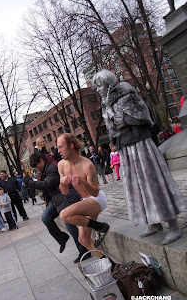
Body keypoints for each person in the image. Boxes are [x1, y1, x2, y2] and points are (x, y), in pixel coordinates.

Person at [92, 69, 187, 245]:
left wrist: (126, 118)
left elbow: (143, 114)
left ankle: (173, 225)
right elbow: (111, 126)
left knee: (153, 183)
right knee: (137, 186)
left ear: (108, 83)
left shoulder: (124, 91)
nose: (97, 90)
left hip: (140, 145)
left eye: (99, 85)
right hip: (125, 147)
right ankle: (154, 222)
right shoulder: (105, 102)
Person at [24, 152, 91, 263]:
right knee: (45, 218)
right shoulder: (44, 169)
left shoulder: (53, 167)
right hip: (56, 199)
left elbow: (47, 185)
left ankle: (84, 250)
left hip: (66, 198)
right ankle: (62, 238)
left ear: (41, 160)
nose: (37, 169)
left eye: (37, 166)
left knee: (70, 226)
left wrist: (31, 183)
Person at [57, 133, 110, 258]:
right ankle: (112, 266)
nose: (58, 151)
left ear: (71, 145)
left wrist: (83, 182)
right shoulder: (61, 165)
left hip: (97, 200)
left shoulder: (87, 165)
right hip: (86, 200)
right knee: (83, 240)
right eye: (57, 148)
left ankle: (101, 227)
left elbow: (95, 192)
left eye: (61, 147)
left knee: (64, 215)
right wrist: (62, 183)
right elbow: (64, 192)